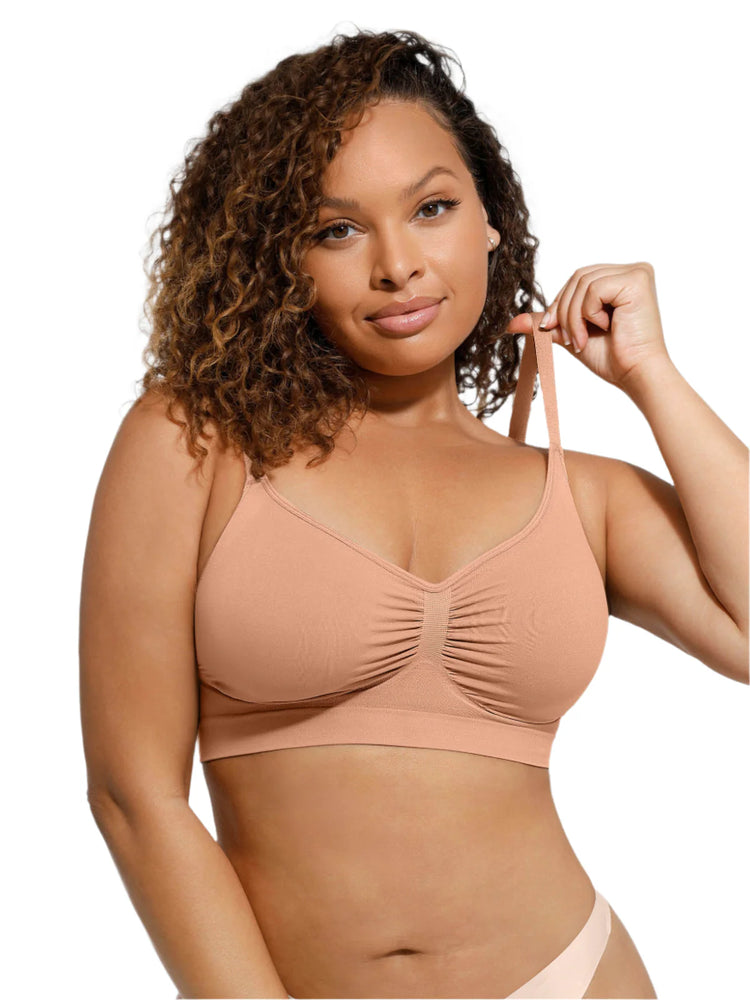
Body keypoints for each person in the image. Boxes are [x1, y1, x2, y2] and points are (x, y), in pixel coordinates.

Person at [79, 27, 748, 1000]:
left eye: (432, 208)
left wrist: (653, 375)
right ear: (278, 257)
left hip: (574, 975)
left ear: (490, 220)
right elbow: (133, 796)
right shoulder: (194, 442)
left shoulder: (579, 493)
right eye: (336, 230)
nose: (397, 265)